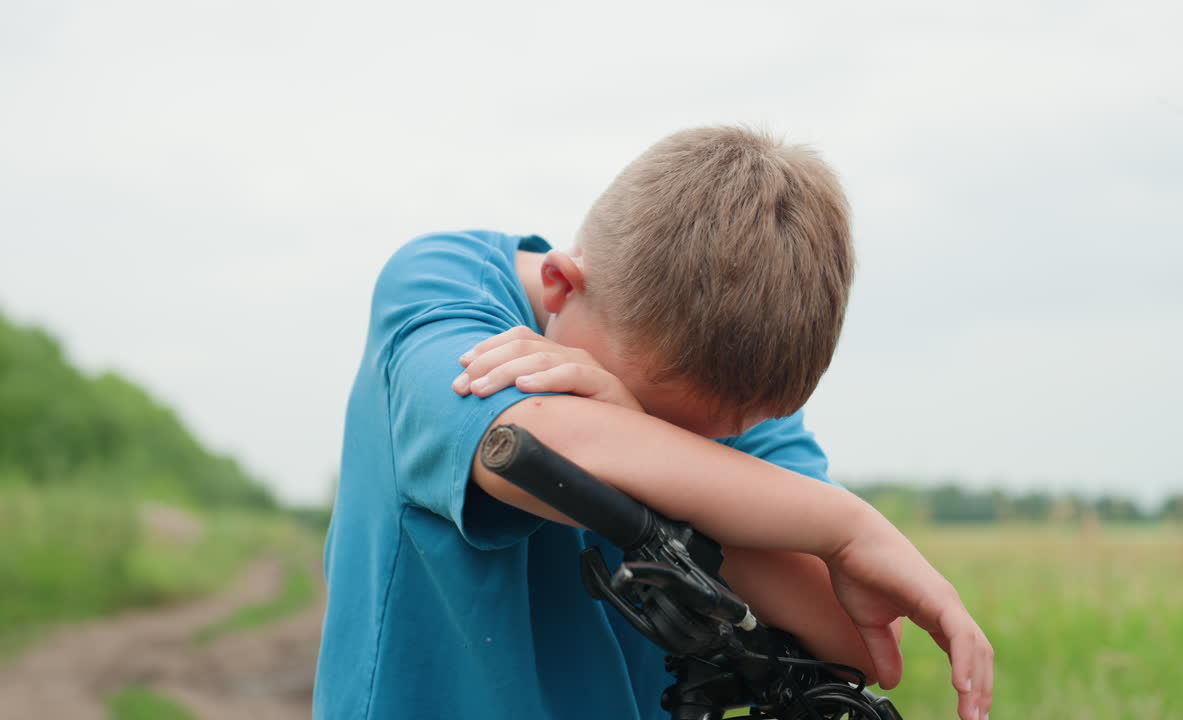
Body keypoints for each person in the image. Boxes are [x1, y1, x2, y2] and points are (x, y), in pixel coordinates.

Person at [314, 127, 993, 720]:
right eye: (664, 426)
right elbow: (518, 451)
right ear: (559, 286)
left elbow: (856, 637)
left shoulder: (723, 389)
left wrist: (630, 419)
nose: (699, 449)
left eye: (713, 443)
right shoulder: (444, 287)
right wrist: (848, 527)